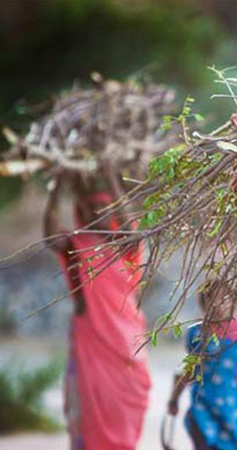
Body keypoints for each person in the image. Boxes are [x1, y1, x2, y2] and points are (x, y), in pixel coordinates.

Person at [44, 161, 151, 450]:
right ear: (80, 214)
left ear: (113, 213)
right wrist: (56, 189)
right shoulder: (76, 247)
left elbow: (131, 229)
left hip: (126, 342)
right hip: (92, 343)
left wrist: (112, 179)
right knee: (91, 411)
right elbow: (50, 233)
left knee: (130, 401)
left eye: (103, 209)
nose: (96, 216)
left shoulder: (126, 248)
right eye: (89, 210)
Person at [167, 278, 237, 450]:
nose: (218, 304)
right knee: (201, 439)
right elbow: (190, 368)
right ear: (203, 303)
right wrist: (174, 397)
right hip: (201, 400)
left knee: (227, 445)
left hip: (229, 403)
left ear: (232, 300)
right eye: (212, 298)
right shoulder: (197, 331)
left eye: (224, 298)